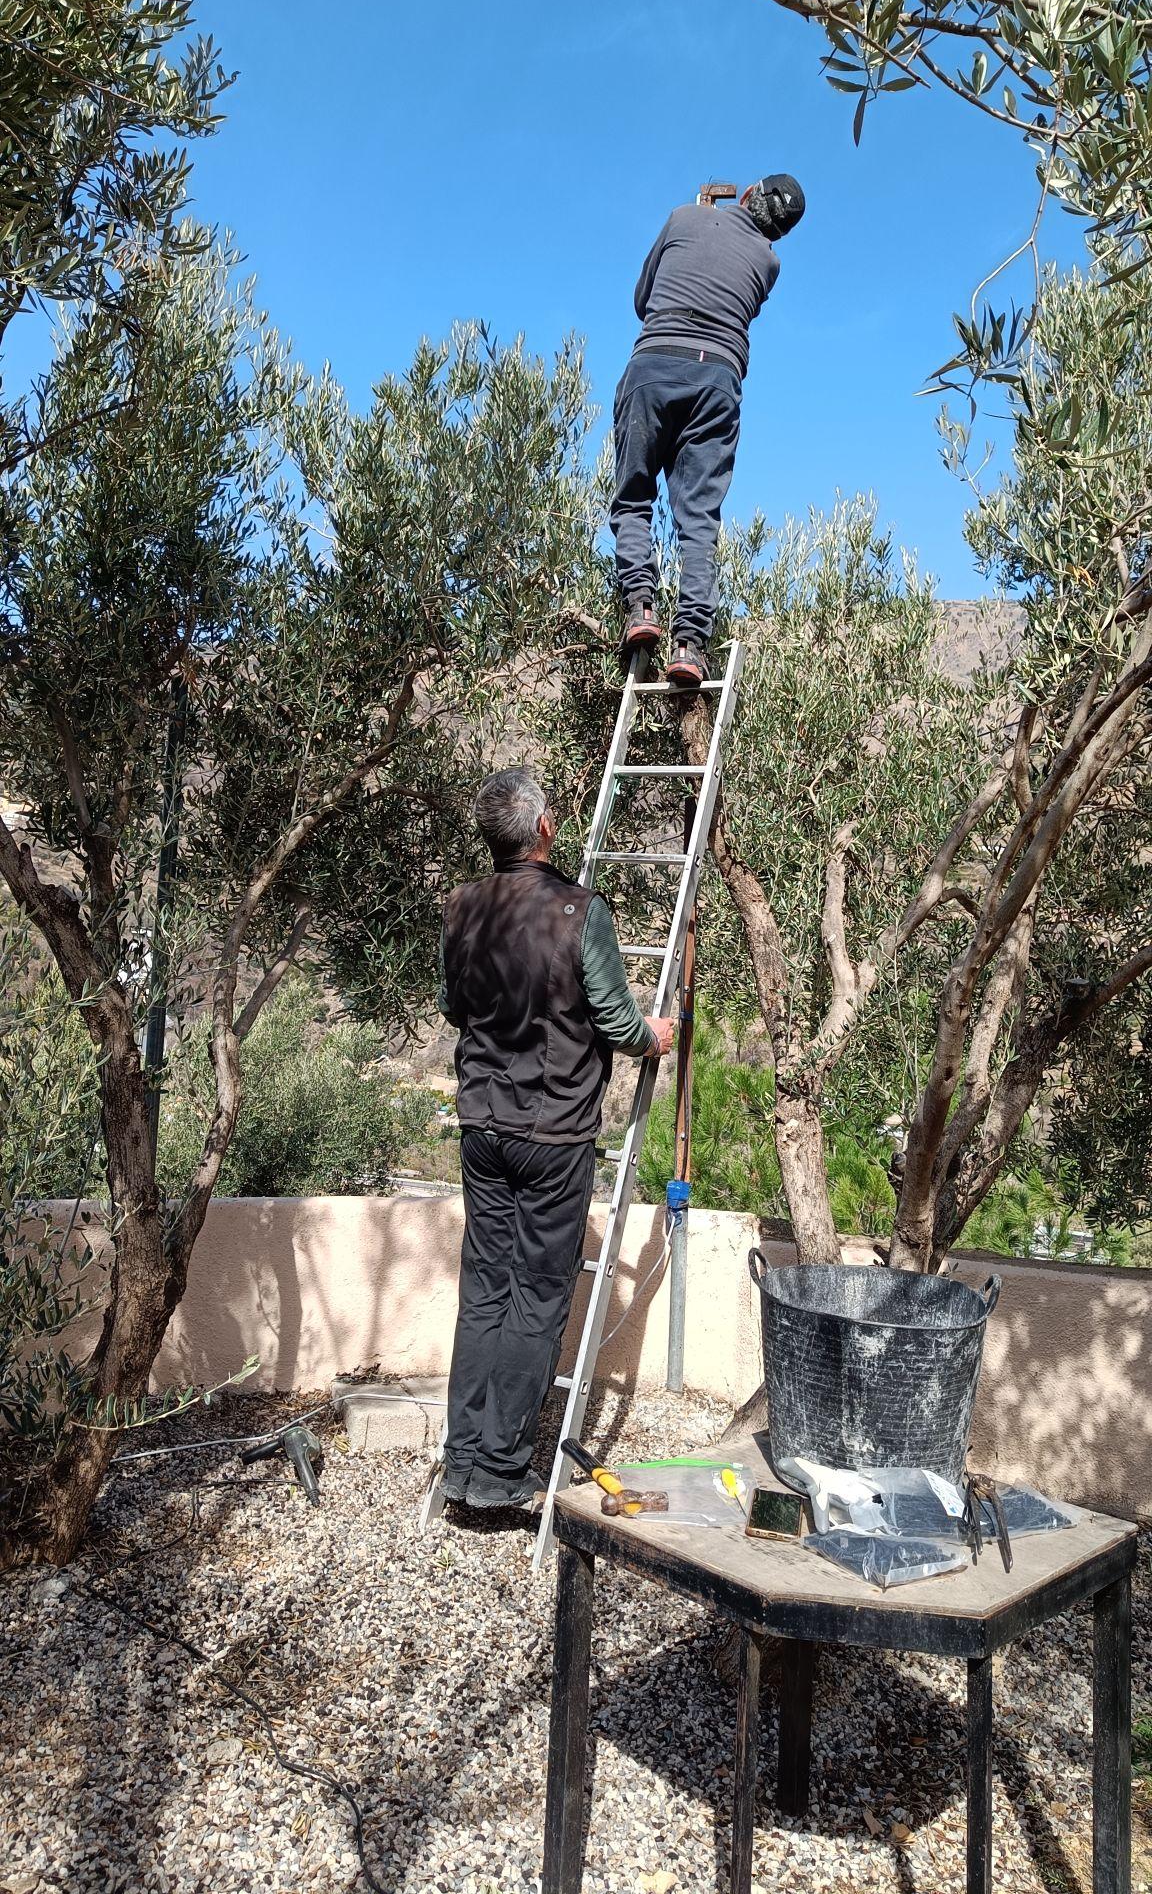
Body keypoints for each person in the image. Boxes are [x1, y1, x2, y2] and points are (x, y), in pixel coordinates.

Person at [436, 767, 675, 1512]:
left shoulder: (462, 906)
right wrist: (654, 1036)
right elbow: (616, 1020)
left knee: (485, 1288)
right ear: (543, 828)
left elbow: (452, 1007)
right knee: (537, 1296)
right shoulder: (580, 910)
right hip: (553, 1132)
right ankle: (499, 1472)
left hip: (482, 1126)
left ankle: (461, 1462)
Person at [610, 172, 806, 689]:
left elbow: (643, 299)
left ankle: (640, 606)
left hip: (654, 364)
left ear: (749, 192)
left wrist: (701, 209)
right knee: (698, 519)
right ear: (781, 232)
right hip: (717, 380)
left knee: (634, 496)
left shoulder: (683, 217)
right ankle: (690, 645)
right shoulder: (769, 262)